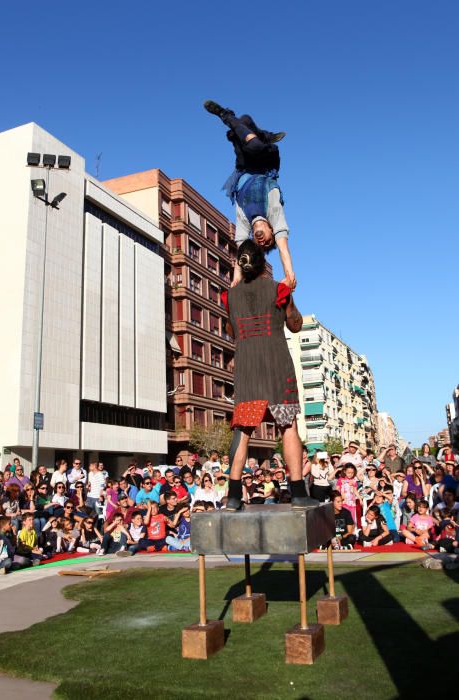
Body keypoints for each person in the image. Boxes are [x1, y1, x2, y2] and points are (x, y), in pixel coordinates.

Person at [221, 240, 316, 511]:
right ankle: (298, 492)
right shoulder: (279, 289)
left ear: (240, 265)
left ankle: (234, 496)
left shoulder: (231, 296)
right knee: (288, 427)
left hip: (247, 370)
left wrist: (236, 281)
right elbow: (295, 325)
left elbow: (232, 330)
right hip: (276, 367)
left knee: (243, 430)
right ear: (264, 264)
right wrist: (290, 298)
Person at [204, 101, 295, 290]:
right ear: (271, 229)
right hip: (264, 163)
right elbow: (283, 245)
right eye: (269, 241)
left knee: (244, 120)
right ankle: (225, 115)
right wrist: (289, 274)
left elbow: (241, 249)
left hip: (243, 167)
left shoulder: (246, 219)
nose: (262, 240)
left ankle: (257, 133)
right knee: (254, 144)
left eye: (259, 242)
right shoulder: (273, 212)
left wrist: (236, 279)